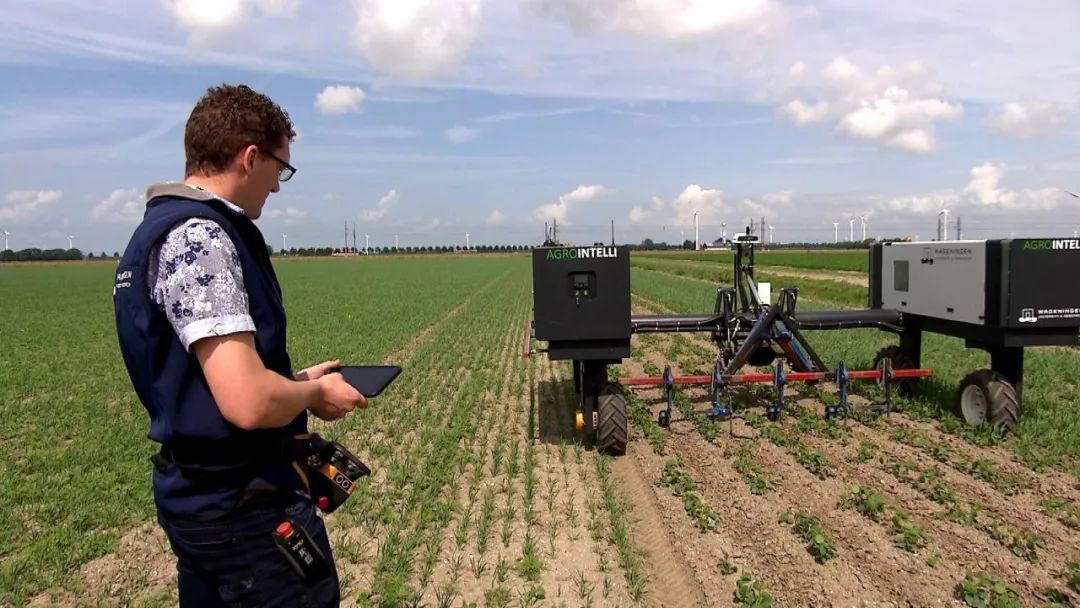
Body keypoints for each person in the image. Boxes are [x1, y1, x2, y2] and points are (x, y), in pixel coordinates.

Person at [113, 83, 365, 607]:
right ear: (250, 158)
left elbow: (209, 384)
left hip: (198, 498)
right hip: (245, 508)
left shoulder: (157, 232)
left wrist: (292, 385)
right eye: (280, 169)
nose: (276, 187)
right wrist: (316, 398)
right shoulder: (200, 239)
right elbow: (246, 402)